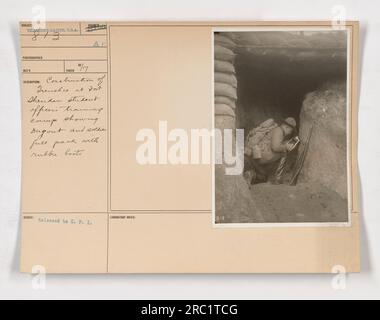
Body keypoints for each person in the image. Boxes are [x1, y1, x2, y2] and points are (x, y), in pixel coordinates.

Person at [244, 117, 297, 185]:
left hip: (258, 153)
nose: (289, 133)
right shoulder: (279, 131)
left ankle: (254, 174)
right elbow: (275, 147)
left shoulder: (277, 130)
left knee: (262, 176)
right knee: (284, 153)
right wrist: (286, 147)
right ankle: (277, 178)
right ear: (287, 127)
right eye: (290, 131)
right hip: (262, 155)